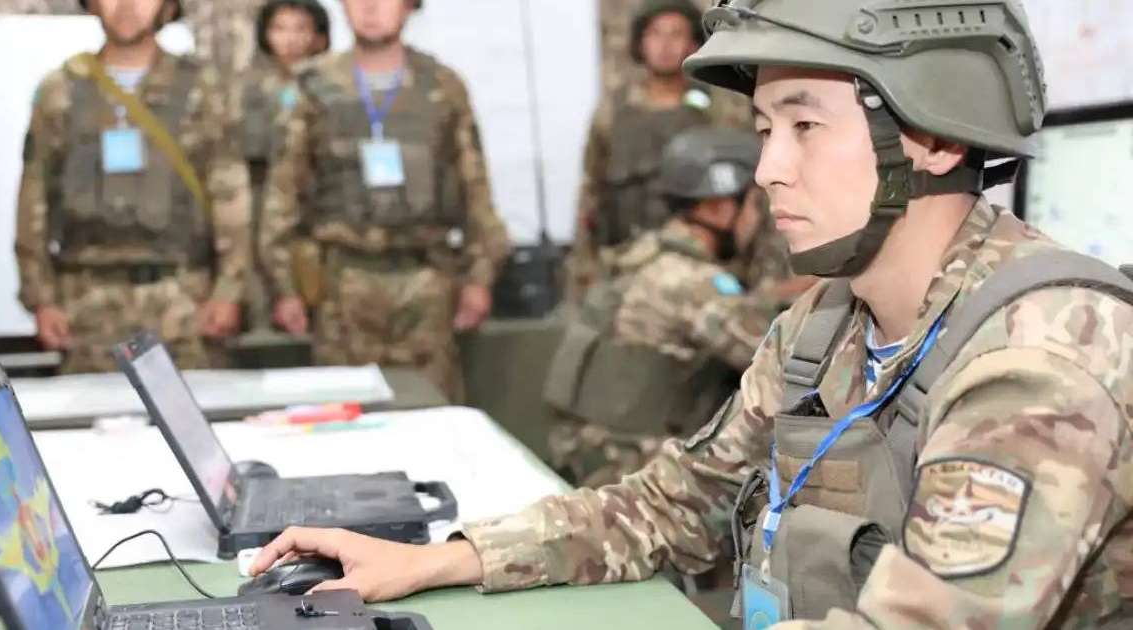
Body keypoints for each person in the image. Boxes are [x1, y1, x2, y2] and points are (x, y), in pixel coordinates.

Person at [249, 0, 1133, 626]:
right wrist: (437, 558)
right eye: (762, 133)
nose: (766, 172)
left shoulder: (1042, 353)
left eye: (804, 127)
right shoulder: (821, 327)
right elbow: (676, 503)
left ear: (933, 138)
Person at [261, 0, 510, 402]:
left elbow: (475, 191)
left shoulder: (442, 87)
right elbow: (283, 196)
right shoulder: (312, 87)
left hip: (426, 285)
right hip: (342, 286)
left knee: (433, 418)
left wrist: (480, 279)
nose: (371, 7)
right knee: (346, 422)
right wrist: (284, 287)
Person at [545, 127, 806, 489]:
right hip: (631, 470)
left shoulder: (647, 256)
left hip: (587, 453)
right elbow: (778, 356)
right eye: (750, 205)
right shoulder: (691, 283)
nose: (755, 220)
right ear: (718, 208)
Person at [15, 0, 250, 373]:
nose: (126, 5)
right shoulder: (61, 91)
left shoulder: (202, 89)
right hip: (86, 307)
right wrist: (42, 300)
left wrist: (229, 291)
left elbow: (231, 194)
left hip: (184, 303)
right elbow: (34, 202)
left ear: (167, 7)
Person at [565, 0, 752, 303]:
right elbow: (591, 194)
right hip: (625, 268)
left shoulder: (720, 110)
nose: (665, 45)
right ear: (640, 43)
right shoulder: (613, 114)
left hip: (705, 271)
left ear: (692, 43)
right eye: (656, 34)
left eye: (676, 34)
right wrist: (583, 274)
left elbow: (746, 191)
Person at [239, 0, 331, 332]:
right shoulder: (247, 91)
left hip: (320, 214)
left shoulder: (334, 87)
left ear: (319, 36)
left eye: (300, 29)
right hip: (262, 211)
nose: (290, 39)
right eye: (280, 29)